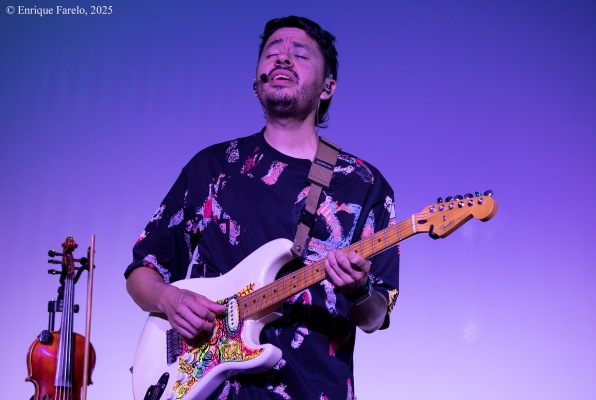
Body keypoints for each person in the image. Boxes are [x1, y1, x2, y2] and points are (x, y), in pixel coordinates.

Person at [125, 16, 399, 400]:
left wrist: (358, 289)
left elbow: (374, 317)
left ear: (327, 87)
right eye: (272, 52)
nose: (282, 58)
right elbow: (142, 272)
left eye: (300, 54)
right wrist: (170, 300)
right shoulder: (212, 168)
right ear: (257, 80)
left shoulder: (364, 184)